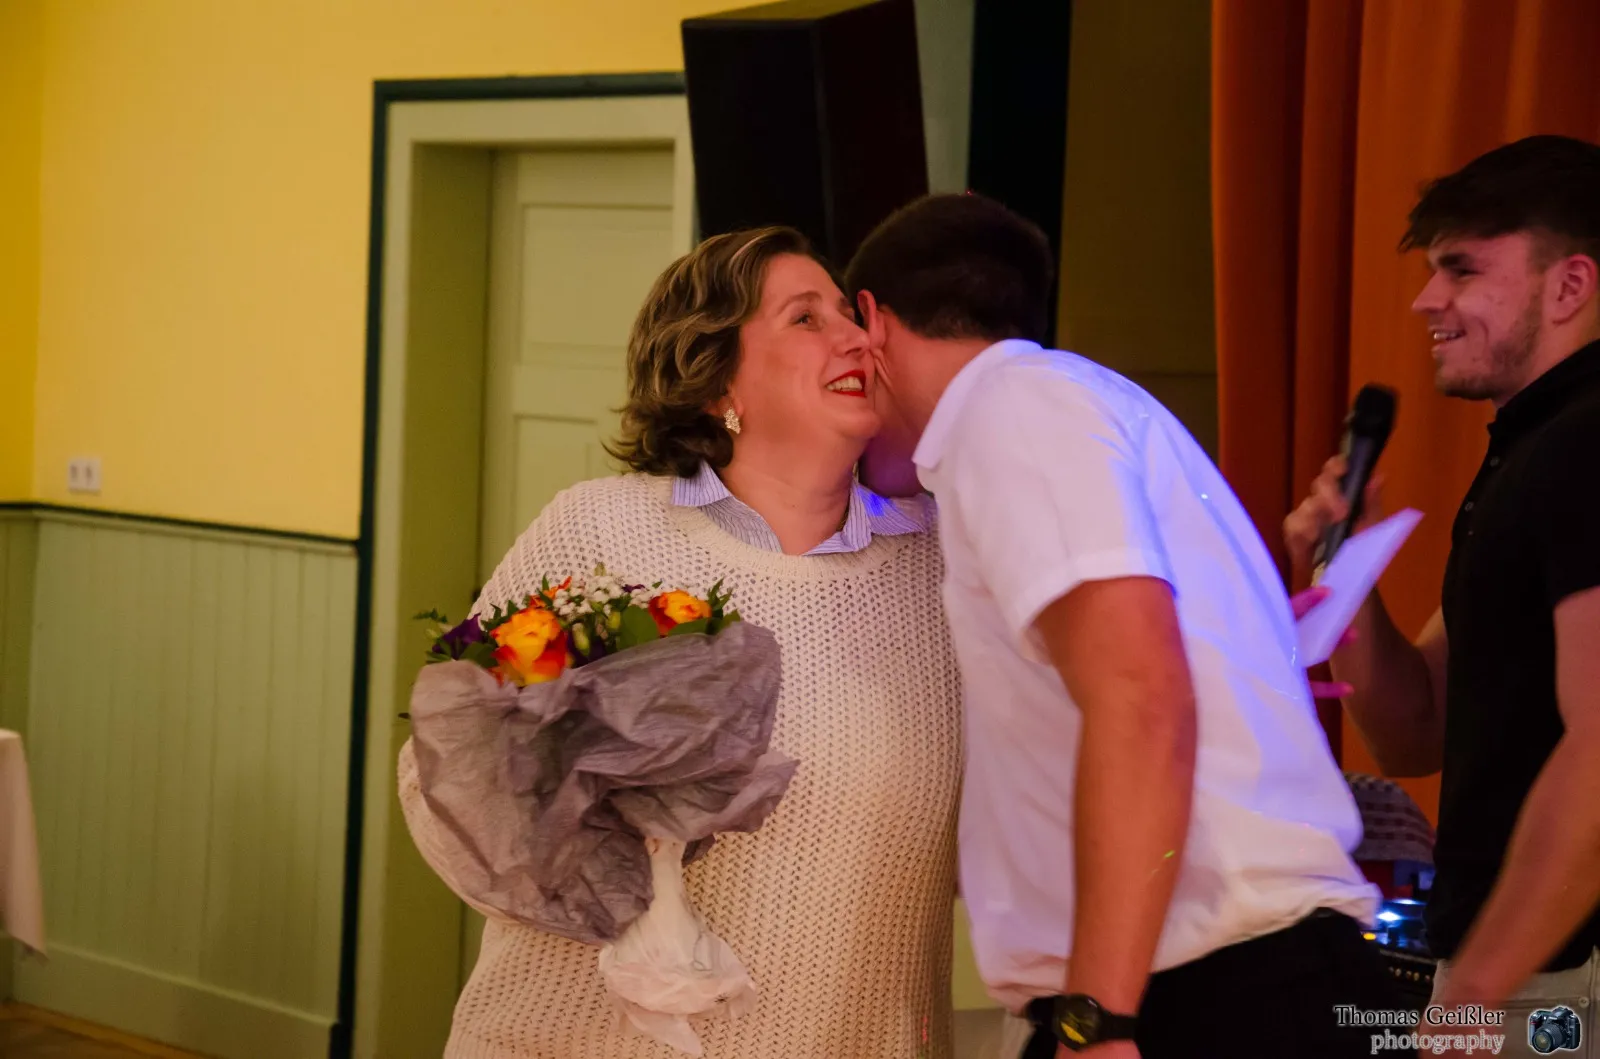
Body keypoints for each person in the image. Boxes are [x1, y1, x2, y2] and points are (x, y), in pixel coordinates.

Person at [847, 192, 1398, 1059]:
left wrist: (1096, 1019)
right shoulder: (1084, 403)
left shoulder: (1010, 408)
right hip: (1222, 979)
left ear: (871, 321)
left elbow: (1142, 697)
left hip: (1207, 991)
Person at [397, 226, 964, 1058]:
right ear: (716, 379)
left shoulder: (947, 566)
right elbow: (443, 770)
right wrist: (609, 859)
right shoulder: (601, 530)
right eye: (806, 318)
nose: (855, 337)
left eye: (851, 314)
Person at [1285, 135, 1600, 1048]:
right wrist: (1343, 569)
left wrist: (1478, 993)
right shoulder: (1530, 453)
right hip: (1514, 966)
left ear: (1570, 285)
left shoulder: (1585, 445)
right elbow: (1415, 727)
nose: (1427, 299)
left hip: (1555, 971)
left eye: (1461, 269)